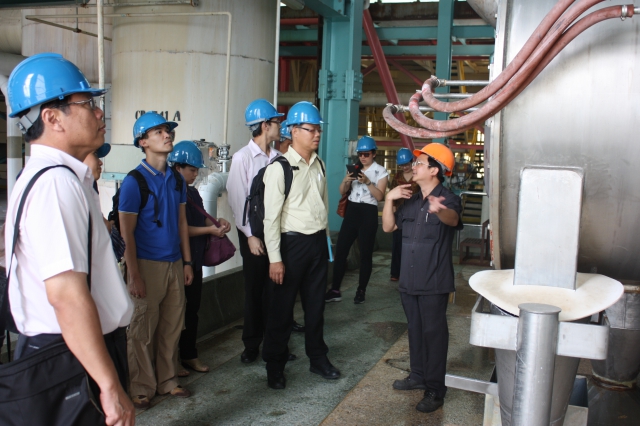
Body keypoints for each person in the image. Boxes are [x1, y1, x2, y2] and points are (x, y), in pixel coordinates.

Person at [5, 53, 134, 424]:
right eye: (87, 104)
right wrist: (109, 385)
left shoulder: (48, 176)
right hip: (71, 357)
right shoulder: (55, 184)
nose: (99, 112)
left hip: (73, 350)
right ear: (52, 118)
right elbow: (66, 296)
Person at [262, 101, 339, 389]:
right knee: (281, 310)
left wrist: (326, 243)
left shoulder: (319, 164)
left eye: (319, 129)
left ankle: (318, 359)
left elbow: (324, 205)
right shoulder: (279, 168)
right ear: (294, 131)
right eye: (311, 129)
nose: (317, 134)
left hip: (317, 243)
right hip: (291, 246)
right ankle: (275, 365)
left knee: (316, 308)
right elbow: (271, 218)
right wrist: (275, 258)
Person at [119, 111, 194, 409]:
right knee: (142, 330)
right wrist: (134, 274)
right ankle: (141, 386)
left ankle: (168, 380)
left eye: (168, 130)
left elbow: (182, 222)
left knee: (172, 326)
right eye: (159, 131)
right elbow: (126, 233)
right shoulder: (134, 182)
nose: (167, 135)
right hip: (146, 264)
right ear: (143, 142)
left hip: (174, 263)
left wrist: (187, 262)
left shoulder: (176, 179)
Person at [381, 143, 462, 414]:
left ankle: (435, 389)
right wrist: (389, 199)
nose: (413, 167)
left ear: (434, 170)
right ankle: (417, 375)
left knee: (434, 335)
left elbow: (453, 220)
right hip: (409, 279)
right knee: (415, 329)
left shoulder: (448, 199)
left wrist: (439, 210)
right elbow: (389, 226)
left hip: (434, 281)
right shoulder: (412, 201)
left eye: (419, 163)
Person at [227, 99, 289, 364]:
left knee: (276, 291)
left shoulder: (279, 158)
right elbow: (237, 199)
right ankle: (251, 345)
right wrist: (250, 236)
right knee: (254, 291)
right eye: (276, 122)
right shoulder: (242, 158)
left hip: (276, 232)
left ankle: (275, 346)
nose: (280, 126)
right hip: (253, 233)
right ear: (265, 125)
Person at [169, 141, 231, 374]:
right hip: (177, 260)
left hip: (193, 260)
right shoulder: (171, 192)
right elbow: (179, 228)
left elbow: (202, 216)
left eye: (197, 170)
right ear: (178, 167)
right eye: (192, 170)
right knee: (175, 313)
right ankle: (172, 359)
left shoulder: (192, 192)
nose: (195, 174)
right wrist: (209, 230)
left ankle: (189, 354)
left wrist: (217, 222)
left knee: (192, 310)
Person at [326, 136, 389, 304]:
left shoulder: (380, 171)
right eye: (360, 154)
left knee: (365, 254)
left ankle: (361, 290)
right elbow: (342, 191)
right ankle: (335, 290)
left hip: (368, 212)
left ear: (374, 154)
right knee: (341, 251)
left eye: (366, 154)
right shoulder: (354, 168)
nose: (362, 157)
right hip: (352, 211)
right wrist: (346, 181)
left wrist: (368, 182)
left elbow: (380, 196)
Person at [388, 148, 419, 281]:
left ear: (412, 162)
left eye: (407, 164)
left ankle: (411, 272)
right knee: (397, 244)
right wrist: (393, 212)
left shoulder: (418, 176)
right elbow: (392, 196)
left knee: (413, 245)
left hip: (415, 214)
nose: (405, 167)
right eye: (402, 165)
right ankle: (395, 273)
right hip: (400, 214)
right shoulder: (396, 177)